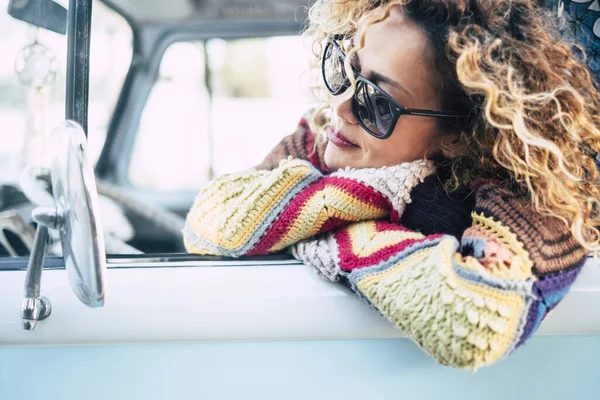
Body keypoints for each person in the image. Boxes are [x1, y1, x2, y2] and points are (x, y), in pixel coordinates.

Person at [184, 0, 600, 370]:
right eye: (346, 69)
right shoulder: (321, 137)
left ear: (455, 136)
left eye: (377, 101)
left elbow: (476, 320)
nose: (341, 106)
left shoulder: (527, 201)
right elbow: (209, 220)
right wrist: (352, 204)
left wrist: (329, 232)